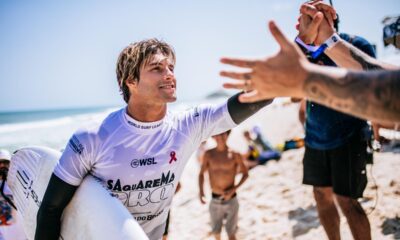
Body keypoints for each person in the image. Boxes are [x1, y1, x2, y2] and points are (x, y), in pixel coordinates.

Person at [35, 39, 272, 240]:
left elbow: (249, 101)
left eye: (171, 67)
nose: (170, 75)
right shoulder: (92, 137)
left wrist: (304, 49)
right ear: (131, 81)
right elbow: (51, 208)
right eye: (157, 68)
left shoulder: (187, 126)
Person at [219, 6, 400, 124]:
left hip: (349, 138)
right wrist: (325, 41)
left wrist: (303, 79)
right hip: (316, 140)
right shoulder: (319, 50)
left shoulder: (359, 43)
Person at [198, 131, 248, 240]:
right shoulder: (209, 154)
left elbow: (245, 174)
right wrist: (201, 192)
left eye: (223, 134)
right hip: (215, 199)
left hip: (231, 199)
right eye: (217, 134)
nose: (220, 137)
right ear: (213, 136)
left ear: (227, 135)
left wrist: (234, 189)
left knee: (231, 233)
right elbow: (201, 174)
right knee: (216, 233)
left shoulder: (235, 154)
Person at [0, 149, 27, 240]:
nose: (2, 165)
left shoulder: (20, 182)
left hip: (25, 234)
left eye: (5, 162)